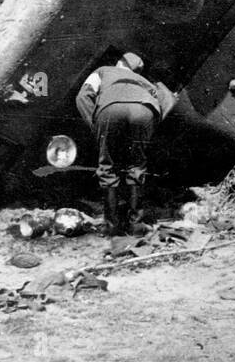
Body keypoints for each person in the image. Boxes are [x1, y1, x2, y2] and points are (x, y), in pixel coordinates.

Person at [75, 52, 175, 236]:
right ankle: (136, 225)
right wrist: (152, 124)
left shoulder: (103, 70)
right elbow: (168, 99)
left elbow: (82, 96)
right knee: (137, 165)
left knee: (107, 166)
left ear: (119, 62)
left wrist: (96, 126)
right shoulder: (143, 80)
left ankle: (112, 226)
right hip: (144, 110)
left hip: (110, 108)